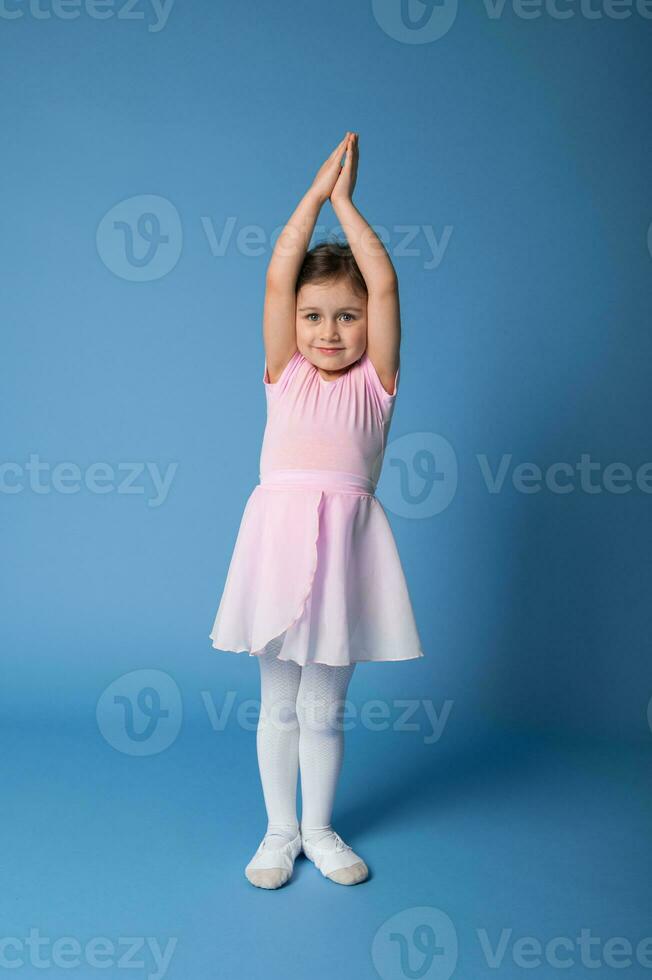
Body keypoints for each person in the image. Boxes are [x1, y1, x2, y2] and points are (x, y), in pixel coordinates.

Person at [209, 132, 424, 889]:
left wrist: (346, 204)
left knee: (325, 703)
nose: (328, 332)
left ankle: (321, 828)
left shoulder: (377, 385)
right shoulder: (283, 376)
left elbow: (388, 284)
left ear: (369, 325)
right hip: (277, 543)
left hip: (346, 554)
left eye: (346, 317)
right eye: (313, 317)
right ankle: (278, 831)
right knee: (278, 699)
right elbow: (276, 278)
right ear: (292, 325)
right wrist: (311, 197)